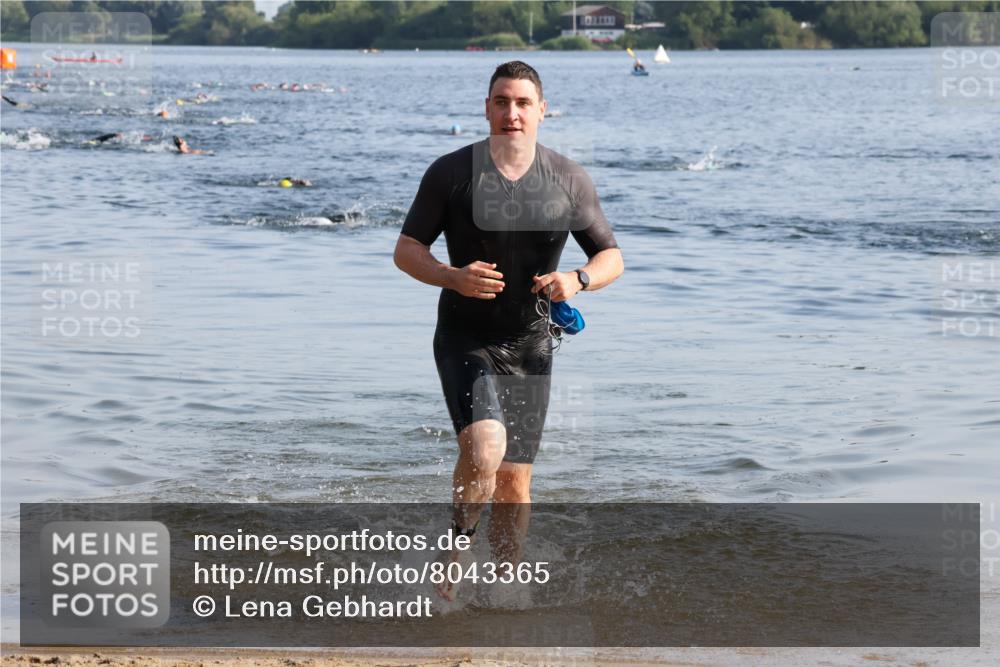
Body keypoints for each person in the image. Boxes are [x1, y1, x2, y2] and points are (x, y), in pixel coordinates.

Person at [394, 61, 624, 601]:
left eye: (523, 103)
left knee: (514, 482)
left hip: (532, 343)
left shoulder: (568, 178)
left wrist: (579, 278)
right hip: (465, 335)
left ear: (543, 110)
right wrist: (451, 276)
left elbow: (611, 256)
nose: (512, 113)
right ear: (487, 108)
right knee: (485, 446)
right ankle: (455, 549)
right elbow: (406, 250)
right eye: (501, 101)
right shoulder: (452, 172)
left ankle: (505, 593)